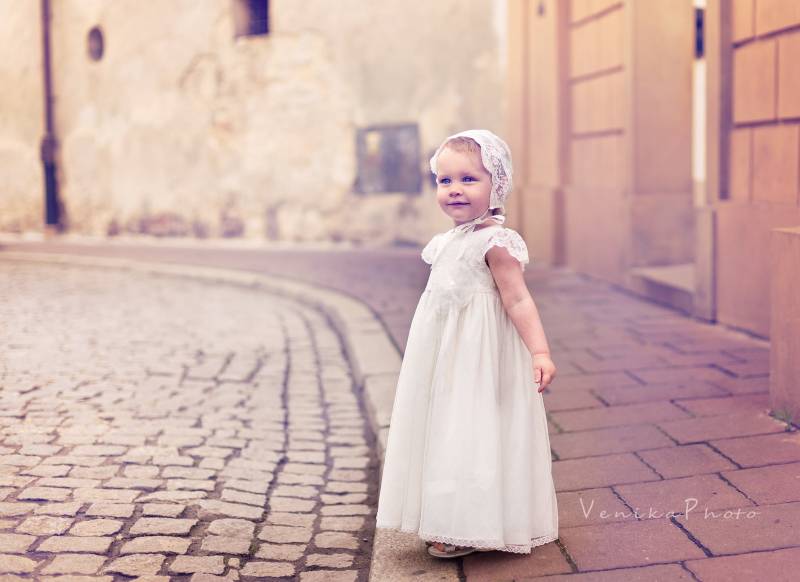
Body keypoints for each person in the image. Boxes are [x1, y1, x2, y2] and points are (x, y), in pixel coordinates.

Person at [374, 129, 559, 558]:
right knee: (444, 429)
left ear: (497, 183)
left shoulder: (495, 243)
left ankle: (472, 523)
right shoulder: (446, 242)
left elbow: (517, 299)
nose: (455, 190)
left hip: (479, 358)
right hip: (443, 357)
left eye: (468, 179)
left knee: (473, 430)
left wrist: (540, 351)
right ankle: (445, 513)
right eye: (445, 180)